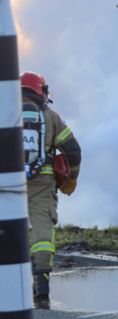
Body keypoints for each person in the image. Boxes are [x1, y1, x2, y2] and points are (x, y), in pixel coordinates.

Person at [22, 72, 81, 305]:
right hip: (41, 185)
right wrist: (72, 178)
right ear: (41, 92)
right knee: (42, 235)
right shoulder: (50, 117)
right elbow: (73, 151)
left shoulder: (4, 114)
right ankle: (42, 287)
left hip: (6, 185)